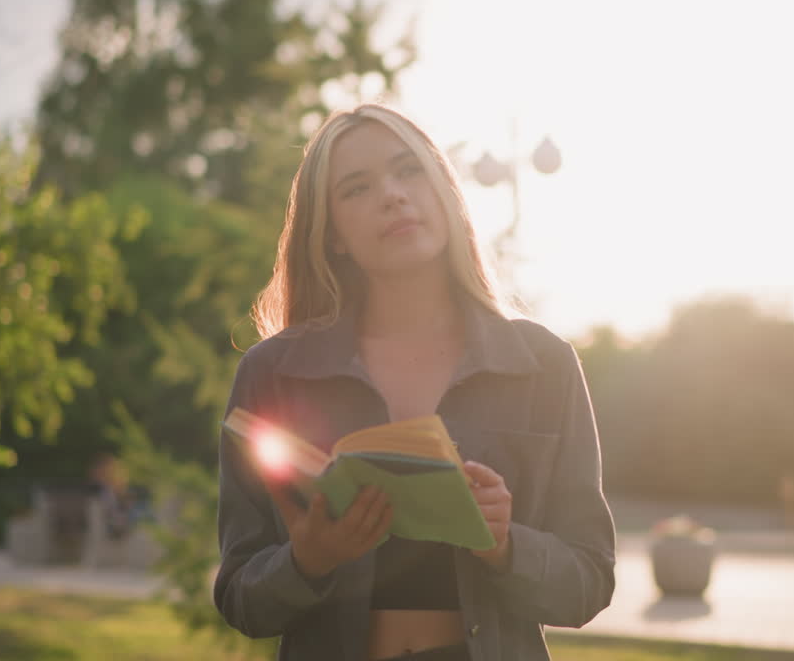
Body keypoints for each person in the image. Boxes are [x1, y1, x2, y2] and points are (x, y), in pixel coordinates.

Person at [213, 103, 615, 661]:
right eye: (356, 188)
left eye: (409, 170)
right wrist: (307, 561)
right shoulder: (272, 374)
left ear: (444, 191)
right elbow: (239, 599)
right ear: (332, 235)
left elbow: (589, 583)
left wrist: (503, 544)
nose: (392, 195)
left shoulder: (543, 365)